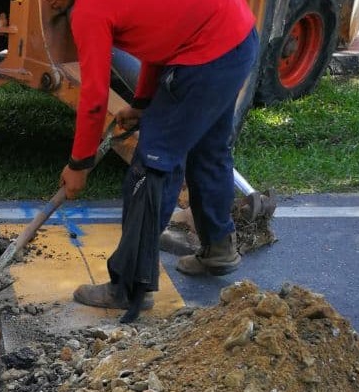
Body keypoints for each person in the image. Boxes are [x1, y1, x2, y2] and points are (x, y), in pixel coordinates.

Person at [53, 0, 259, 313]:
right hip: (236, 39)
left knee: (153, 163)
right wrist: (143, 103)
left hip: (208, 51)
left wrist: (79, 163)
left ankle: (129, 287)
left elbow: (94, 96)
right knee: (208, 149)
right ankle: (219, 247)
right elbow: (160, 44)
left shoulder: (89, 10)